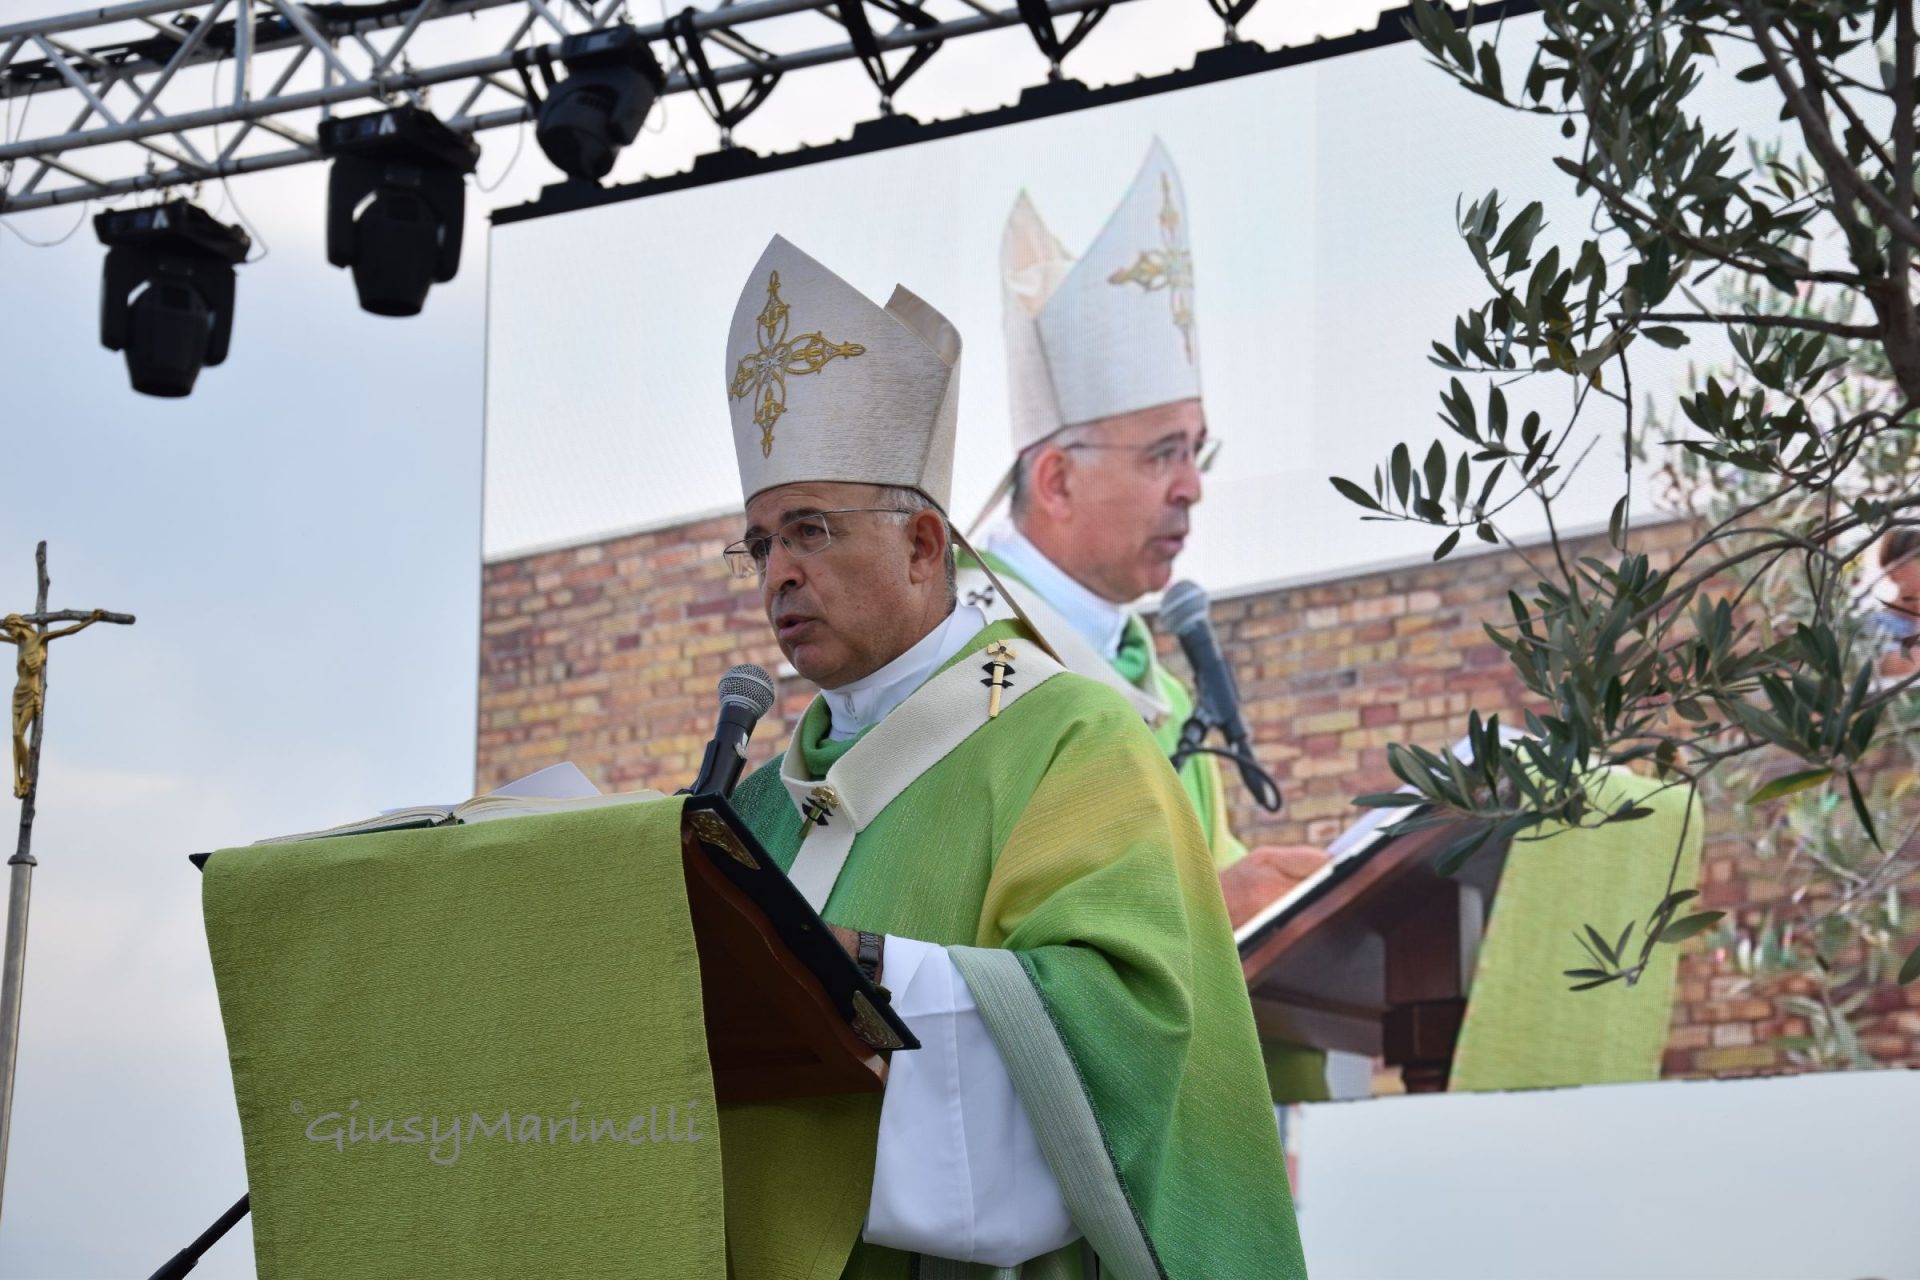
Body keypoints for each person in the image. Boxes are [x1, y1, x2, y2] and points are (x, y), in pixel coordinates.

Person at [714, 235, 1305, 1280]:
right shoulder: (756, 806)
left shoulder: (1070, 738)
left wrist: (864, 968)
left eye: (810, 530)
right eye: (761, 544)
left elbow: (1130, 1023)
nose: (779, 574)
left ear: (923, 546)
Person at [965, 140, 1325, 929]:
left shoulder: (1166, 696)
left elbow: (1211, 881)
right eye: (1163, 454)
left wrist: (1296, 904)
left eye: (1197, 452)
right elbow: (968, 925)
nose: (1192, 487)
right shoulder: (966, 661)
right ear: (1057, 480)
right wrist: (1212, 912)